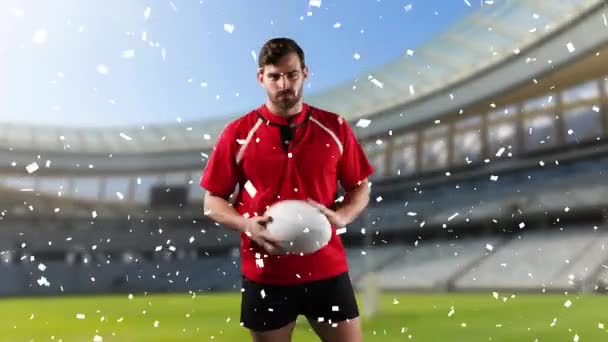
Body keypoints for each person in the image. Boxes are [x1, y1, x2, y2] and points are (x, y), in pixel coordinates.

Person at [201, 37, 373, 342]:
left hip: (326, 270)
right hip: (266, 275)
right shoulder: (237, 134)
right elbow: (212, 201)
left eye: (292, 74)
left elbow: (359, 186)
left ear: (305, 72)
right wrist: (245, 225)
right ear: (261, 78)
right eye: (274, 76)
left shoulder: (334, 127)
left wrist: (344, 215)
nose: (284, 84)